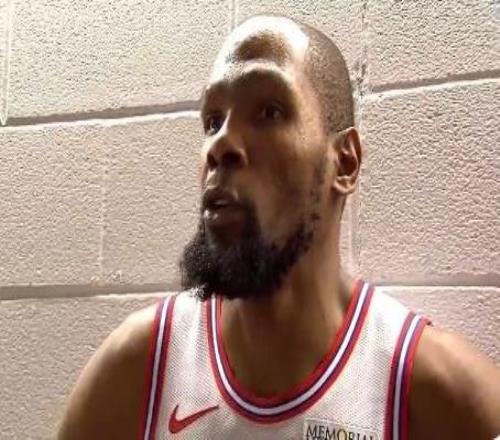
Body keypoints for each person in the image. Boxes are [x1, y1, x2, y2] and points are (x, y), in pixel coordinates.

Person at [58, 15, 500, 440]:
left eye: (268, 111)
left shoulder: (435, 392)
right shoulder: (139, 371)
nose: (220, 144)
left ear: (345, 162)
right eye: (213, 121)